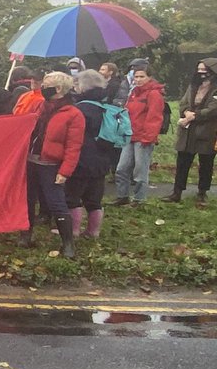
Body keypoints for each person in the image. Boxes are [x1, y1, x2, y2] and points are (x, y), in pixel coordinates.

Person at [21, 71, 84, 257]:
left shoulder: (74, 114)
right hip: (31, 160)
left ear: (58, 89)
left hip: (51, 164)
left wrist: (65, 171)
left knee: (56, 202)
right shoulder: (42, 106)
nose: (43, 87)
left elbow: (74, 146)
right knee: (27, 199)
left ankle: (68, 244)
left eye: (47, 84)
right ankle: (26, 235)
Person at [65, 70, 113, 239]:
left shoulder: (80, 109)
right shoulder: (106, 107)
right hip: (102, 160)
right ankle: (94, 231)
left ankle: (73, 230)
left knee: (72, 196)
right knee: (94, 199)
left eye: (77, 84)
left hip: (81, 159)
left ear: (84, 86)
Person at [164, 58, 217, 206]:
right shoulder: (193, 86)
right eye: (199, 70)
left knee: (206, 163)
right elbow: (184, 102)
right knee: (182, 162)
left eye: (204, 71)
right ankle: (177, 192)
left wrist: (195, 116)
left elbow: (213, 108)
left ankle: (202, 193)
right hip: (188, 132)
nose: (201, 74)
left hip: (207, 132)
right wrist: (186, 112)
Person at [112, 65, 165, 206]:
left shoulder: (154, 94)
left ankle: (139, 199)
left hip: (143, 137)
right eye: (136, 77)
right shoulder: (133, 92)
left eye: (142, 76)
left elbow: (154, 117)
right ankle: (122, 196)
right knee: (121, 168)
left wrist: (148, 137)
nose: (139, 79)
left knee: (140, 171)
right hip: (130, 135)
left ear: (149, 77)